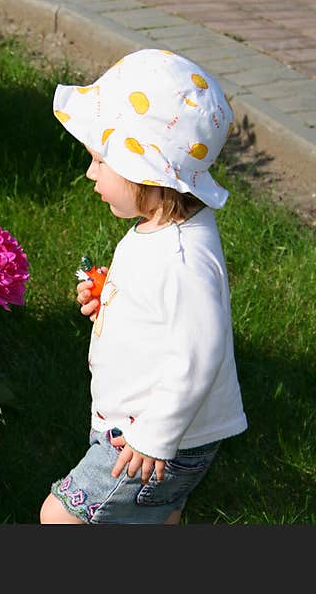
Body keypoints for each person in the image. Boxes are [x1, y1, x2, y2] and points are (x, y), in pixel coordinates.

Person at [41, 48, 248, 524]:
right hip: (153, 430)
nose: (91, 174)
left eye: (100, 160)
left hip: (156, 438)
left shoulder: (183, 259)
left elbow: (200, 350)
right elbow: (163, 313)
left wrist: (155, 436)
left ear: (148, 170)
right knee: (157, 518)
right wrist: (112, 302)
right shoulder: (163, 229)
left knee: (60, 517)